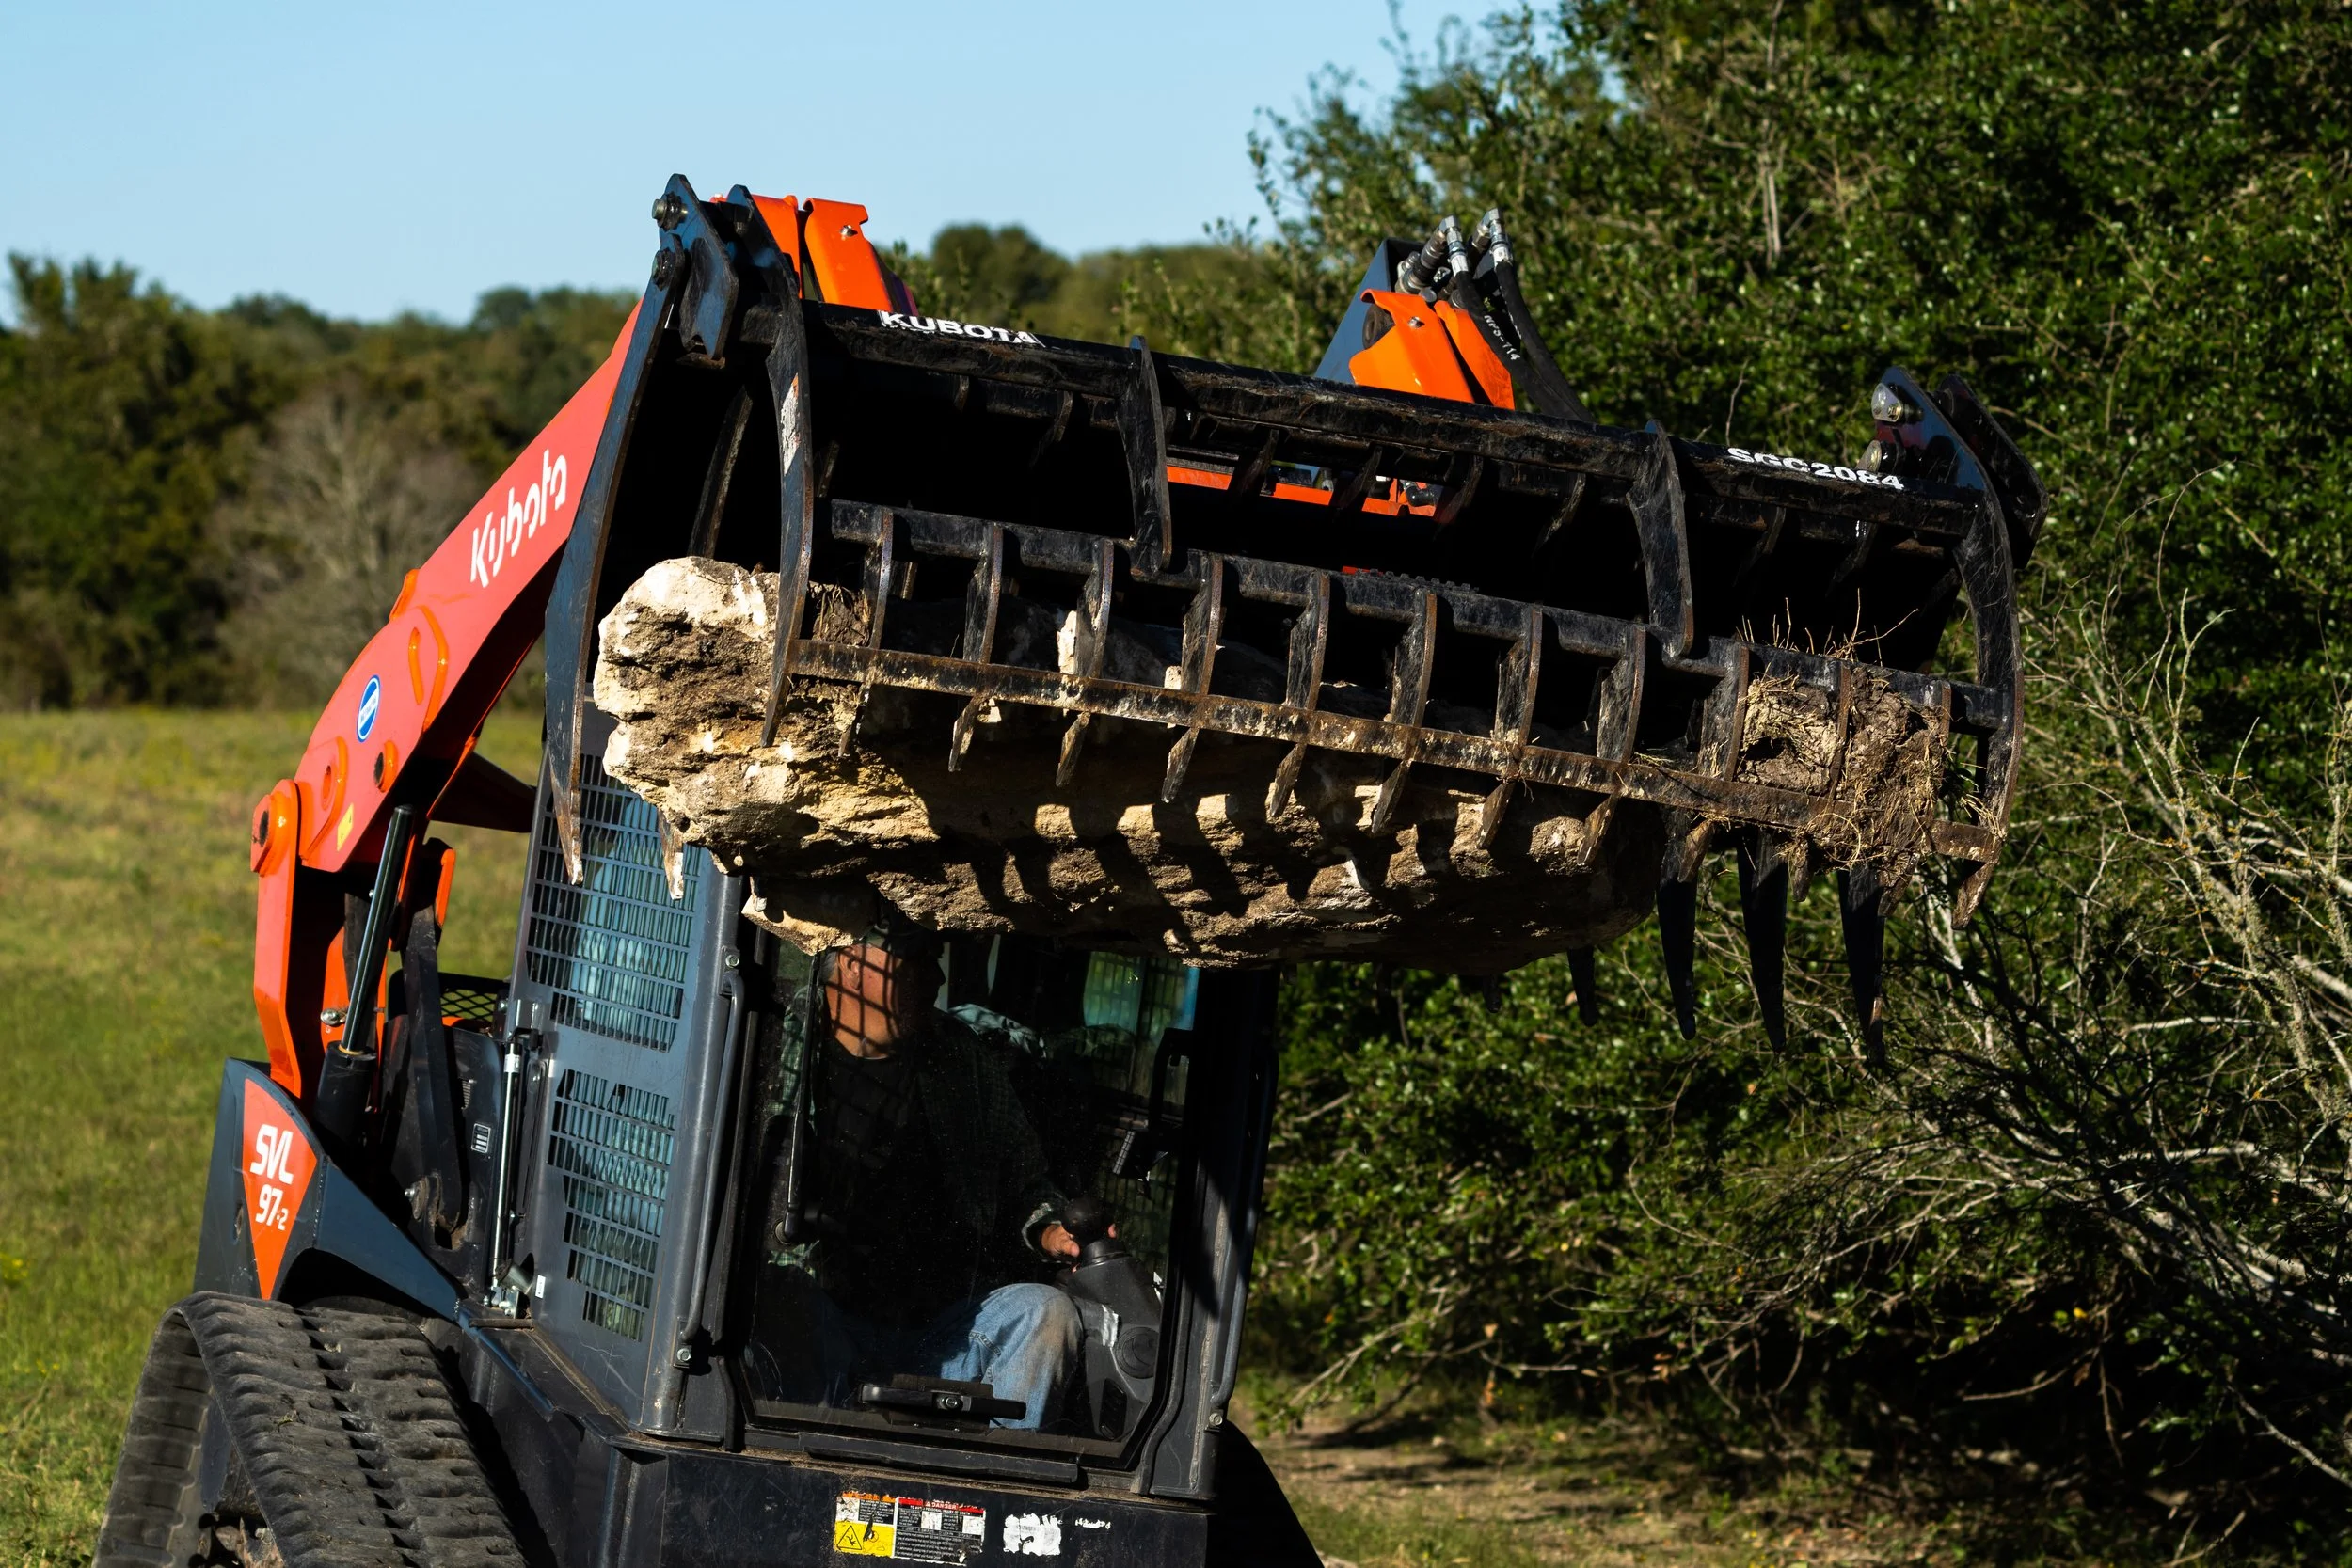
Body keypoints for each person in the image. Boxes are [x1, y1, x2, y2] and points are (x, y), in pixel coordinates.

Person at [754, 924, 1085, 1430]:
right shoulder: (774, 1043)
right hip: (820, 1330)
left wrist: (1048, 1229)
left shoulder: (960, 1059)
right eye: (916, 960)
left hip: (945, 1333)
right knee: (775, 1295)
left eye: (938, 957)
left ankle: (996, 1487)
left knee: (1047, 1312)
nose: (937, 976)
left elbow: (1025, 1182)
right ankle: (813, 1452)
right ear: (851, 963)